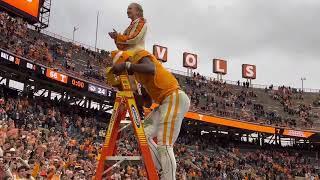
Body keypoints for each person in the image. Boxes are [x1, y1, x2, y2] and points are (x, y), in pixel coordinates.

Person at [111, 50, 190, 180]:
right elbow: (147, 102)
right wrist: (128, 93)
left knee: (164, 144)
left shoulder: (139, 58)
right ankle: (159, 165)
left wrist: (126, 66)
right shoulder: (138, 76)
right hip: (165, 102)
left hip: (173, 98)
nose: (124, 74)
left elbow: (151, 68)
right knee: (142, 133)